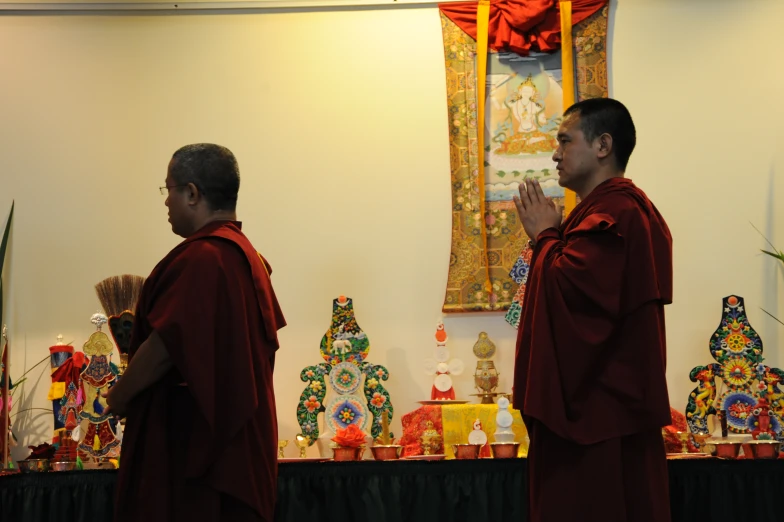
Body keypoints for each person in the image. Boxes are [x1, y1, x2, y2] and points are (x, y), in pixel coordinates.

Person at [512, 98, 673, 522]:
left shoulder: (615, 213)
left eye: (565, 140)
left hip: (596, 419)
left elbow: (576, 301)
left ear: (603, 145)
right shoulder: (613, 211)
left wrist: (545, 236)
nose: (555, 153)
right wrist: (551, 238)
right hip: (607, 414)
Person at [107, 143, 286, 522]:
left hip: (196, 448)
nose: (166, 201)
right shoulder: (247, 256)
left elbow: (166, 346)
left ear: (192, 193)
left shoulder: (207, 258)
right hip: (233, 439)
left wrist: (120, 395)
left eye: (168, 189)